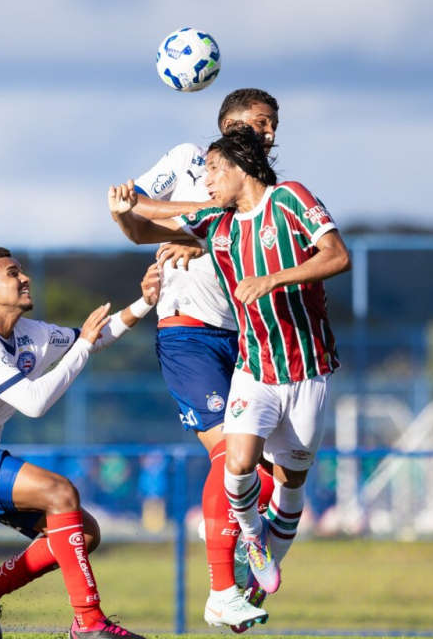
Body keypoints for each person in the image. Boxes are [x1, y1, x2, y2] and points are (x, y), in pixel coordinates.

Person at [108, 126, 350, 606]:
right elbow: (145, 228)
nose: (207, 180)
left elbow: (338, 256)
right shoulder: (216, 221)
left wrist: (273, 279)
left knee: (290, 482)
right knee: (236, 463)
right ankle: (251, 541)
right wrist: (124, 208)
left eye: (215, 170)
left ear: (242, 168)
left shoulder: (289, 198)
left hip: (307, 368)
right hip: (253, 365)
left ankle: (261, 573)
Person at [108, 88, 284, 632]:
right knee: (229, 454)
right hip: (187, 332)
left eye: (273, 125)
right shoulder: (189, 160)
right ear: (230, 124)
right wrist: (131, 213)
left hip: (245, 334)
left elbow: (239, 234)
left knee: (269, 470)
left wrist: (200, 238)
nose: (269, 133)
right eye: (261, 122)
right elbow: (135, 218)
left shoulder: (268, 191)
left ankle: (242, 545)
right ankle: (222, 591)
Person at [0, 247, 157, 639]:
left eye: (22, 271)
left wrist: (145, 302)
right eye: (13, 273)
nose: (25, 277)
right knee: (61, 492)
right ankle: (89, 621)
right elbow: (33, 403)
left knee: (85, 532)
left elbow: (92, 337)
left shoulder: (31, 333)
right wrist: (82, 347)